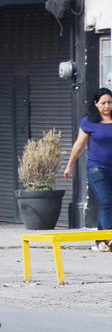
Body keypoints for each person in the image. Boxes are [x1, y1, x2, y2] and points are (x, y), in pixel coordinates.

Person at [65, 87, 112, 251]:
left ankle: (100, 241)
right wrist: (69, 165)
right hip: (97, 168)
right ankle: (108, 238)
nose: (107, 106)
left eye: (110, 102)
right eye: (103, 103)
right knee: (107, 202)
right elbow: (79, 145)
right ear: (96, 104)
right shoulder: (89, 121)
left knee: (107, 204)